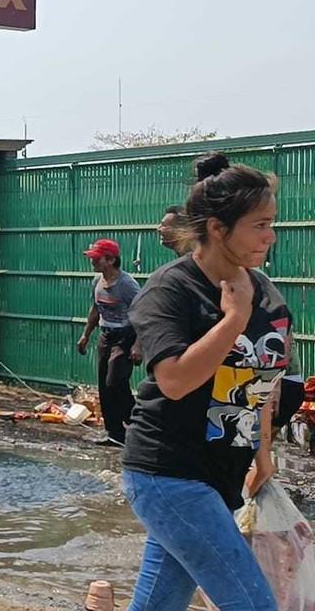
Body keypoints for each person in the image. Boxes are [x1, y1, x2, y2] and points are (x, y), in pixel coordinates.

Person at [121, 152, 287, 610]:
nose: (270, 236)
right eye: (260, 224)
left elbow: (262, 375)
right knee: (254, 605)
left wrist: (263, 450)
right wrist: (234, 318)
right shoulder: (171, 289)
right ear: (218, 228)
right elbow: (174, 380)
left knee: (158, 605)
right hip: (168, 473)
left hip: (221, 476)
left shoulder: (262, 288)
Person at [75, 238, 141, 447]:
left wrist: (138, 345)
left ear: (111, 260)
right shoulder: (97, 281)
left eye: (97, 258)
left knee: (116, 381)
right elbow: (95, 310)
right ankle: (114, 433)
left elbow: (143, 314)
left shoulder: (127, 285)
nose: (92, 262)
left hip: (126, 336)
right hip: (106, 336)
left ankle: (139, 423)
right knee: (104, 385)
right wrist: (86, 335)